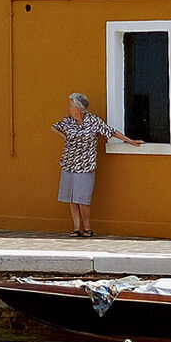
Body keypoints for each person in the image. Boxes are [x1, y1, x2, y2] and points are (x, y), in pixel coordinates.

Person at [51, 92, 136, 237]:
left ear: (78, 108)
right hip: (69, 163)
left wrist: (130, 141)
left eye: (71, 106)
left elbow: (111, 132)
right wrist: (64, 136)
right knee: (71, 197)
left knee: (82, 198)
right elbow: (54, 127)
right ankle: (76, 227)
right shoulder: (68, 121)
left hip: (86, 165)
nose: (68, 108)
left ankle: (87, 228)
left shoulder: (93, 121)